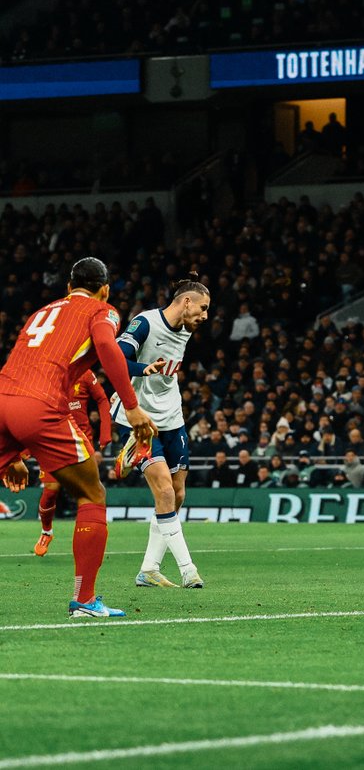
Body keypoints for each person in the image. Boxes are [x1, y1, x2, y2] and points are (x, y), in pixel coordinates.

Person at [0, 257, 156, 618]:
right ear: (104, 289)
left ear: (68, 287)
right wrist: (131, 407)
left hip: (4, 401)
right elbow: (107, 347)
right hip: (41, 406)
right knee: (92, 493)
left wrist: (12, 455)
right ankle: (84, 600)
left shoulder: (42, 312)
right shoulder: (102, 310)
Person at [112, 273, 210, 589]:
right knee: (165, 491)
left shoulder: (186, 328)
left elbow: (187, 292)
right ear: (186, 302)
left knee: (177, 494)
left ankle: (149, 568)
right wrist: (143, 369)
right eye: (203, 307)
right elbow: (115, 359)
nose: (205, 316)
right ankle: (188, 569)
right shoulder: (145, 323)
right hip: (139, 420)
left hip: (172, 417)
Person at [34, 368, 113, 557]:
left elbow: (102, 399)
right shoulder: (49, 372)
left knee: (88, 492)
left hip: (81, 441)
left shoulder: (85, 373)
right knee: (51, 491)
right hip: (53, 440)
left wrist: (105, 432)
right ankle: (47, 532)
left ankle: (91, 536)